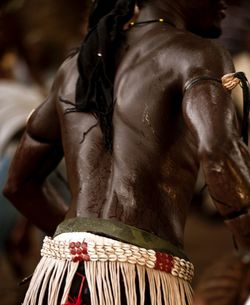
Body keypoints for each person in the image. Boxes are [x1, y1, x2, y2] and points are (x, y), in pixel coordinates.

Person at [3, 0, 250, 304]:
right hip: (139, 280)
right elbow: (218, 154)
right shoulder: (197, 54)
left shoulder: (76, 68)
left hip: (59, 275)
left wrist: (86, 243)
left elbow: (18, 185)